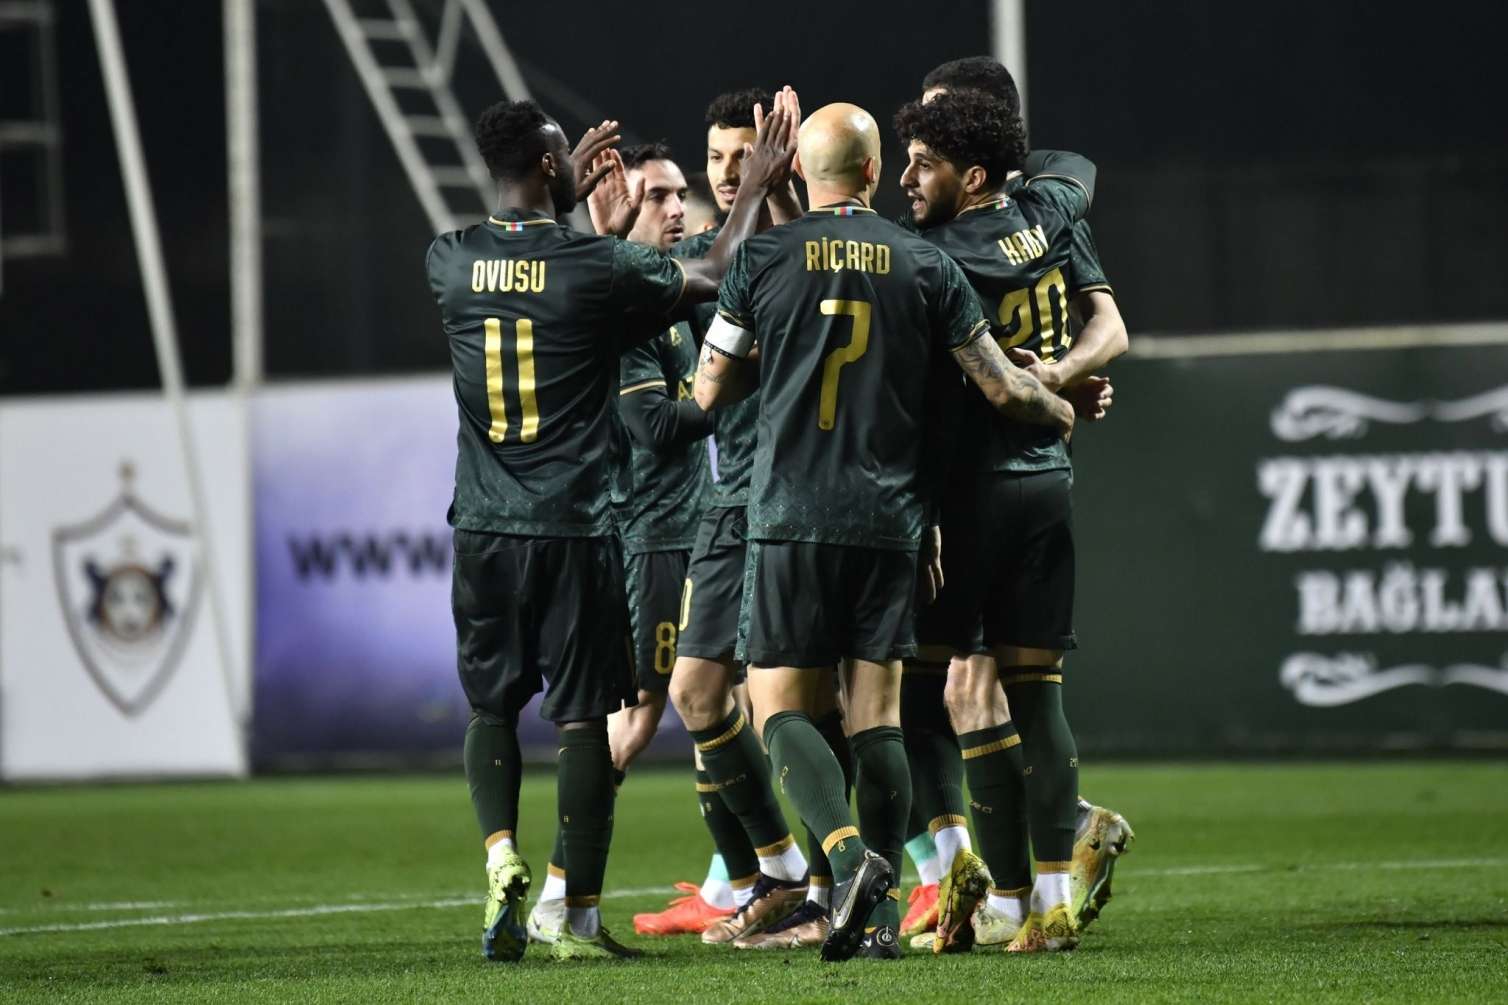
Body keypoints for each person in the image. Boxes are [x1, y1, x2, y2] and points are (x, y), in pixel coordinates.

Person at [693, 101, 1079, 962]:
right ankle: (877, 921)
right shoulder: (925, 262)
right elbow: (1000, 385)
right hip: (893, 520)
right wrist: (1060, 407)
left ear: (801, 173)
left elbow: (709, 387)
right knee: (877, 720)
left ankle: (847, 861)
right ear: (872, 172)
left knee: (776, 705)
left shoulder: (762, 257)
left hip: (792, 513)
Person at [427, 95, 796, 962]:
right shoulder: (591, 265)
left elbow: (535, 280)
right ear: (549, 167)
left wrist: (596, 227)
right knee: (586, 723)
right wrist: (754, 185)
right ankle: (579, 915)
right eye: (568, 154)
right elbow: (712, 273)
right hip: (578, 525)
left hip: (482, 524)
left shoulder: (448, 258)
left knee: (491, 707)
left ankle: (501, 853)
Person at [898, 56, 1135, 949]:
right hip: (1045, 480)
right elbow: (1078, 176)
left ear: (975, 166)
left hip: (970, 491)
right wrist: (1065, 382)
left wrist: (1048, 383)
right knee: (1034, 696)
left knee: (913, 697)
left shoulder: (933, 256)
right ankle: (1045, 901)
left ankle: (972, 876)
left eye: (927, 152)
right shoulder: (1051, 210)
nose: (908, 173)